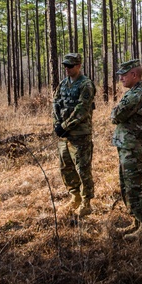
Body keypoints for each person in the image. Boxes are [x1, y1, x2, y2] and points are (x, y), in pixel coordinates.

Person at [111, 59, 142, 240]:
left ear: (134, 75)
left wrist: (115, 112)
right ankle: (136, 221)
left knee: (136, 187)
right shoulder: (133, 93)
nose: (120, 78)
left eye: (123, 74)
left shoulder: (138, 94)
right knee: (127, 186)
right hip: (127, 147)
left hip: (134, 148)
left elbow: (116, 114)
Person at [52, 53, 95, 217]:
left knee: (82, 169)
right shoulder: (63, 84)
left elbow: (82, 109)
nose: (67, 69)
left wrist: (65, 125)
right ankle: (75, 196)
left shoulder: (86, 85)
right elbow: (55, 103)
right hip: (64, 135)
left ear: (78, 66)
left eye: (70, 66)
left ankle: (86, 202)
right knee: (66, 168)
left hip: (80, 135)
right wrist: (57, 124)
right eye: (65, 65)